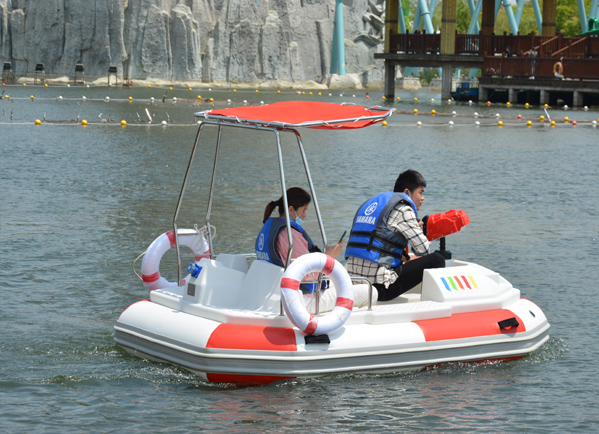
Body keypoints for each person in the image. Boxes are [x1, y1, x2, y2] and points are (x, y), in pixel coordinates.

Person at [256, 187, 375, 312]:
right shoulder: (289, 237)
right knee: (370, 291)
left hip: (277, 292)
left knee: (345, 281)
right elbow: (308, 274)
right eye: (304, 210)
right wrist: (329, 256)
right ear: (291, 209)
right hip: (304, 300)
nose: (305, 215)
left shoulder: (269, 230)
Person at [345, 170, 446, 301]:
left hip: (353, 282)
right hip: (379, 288)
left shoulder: (371, 204)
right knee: (437, 259)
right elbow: (423, 250)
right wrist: (417, 230)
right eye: (420, 193)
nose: (423, 198)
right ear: (407, 193)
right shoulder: (404, 209)